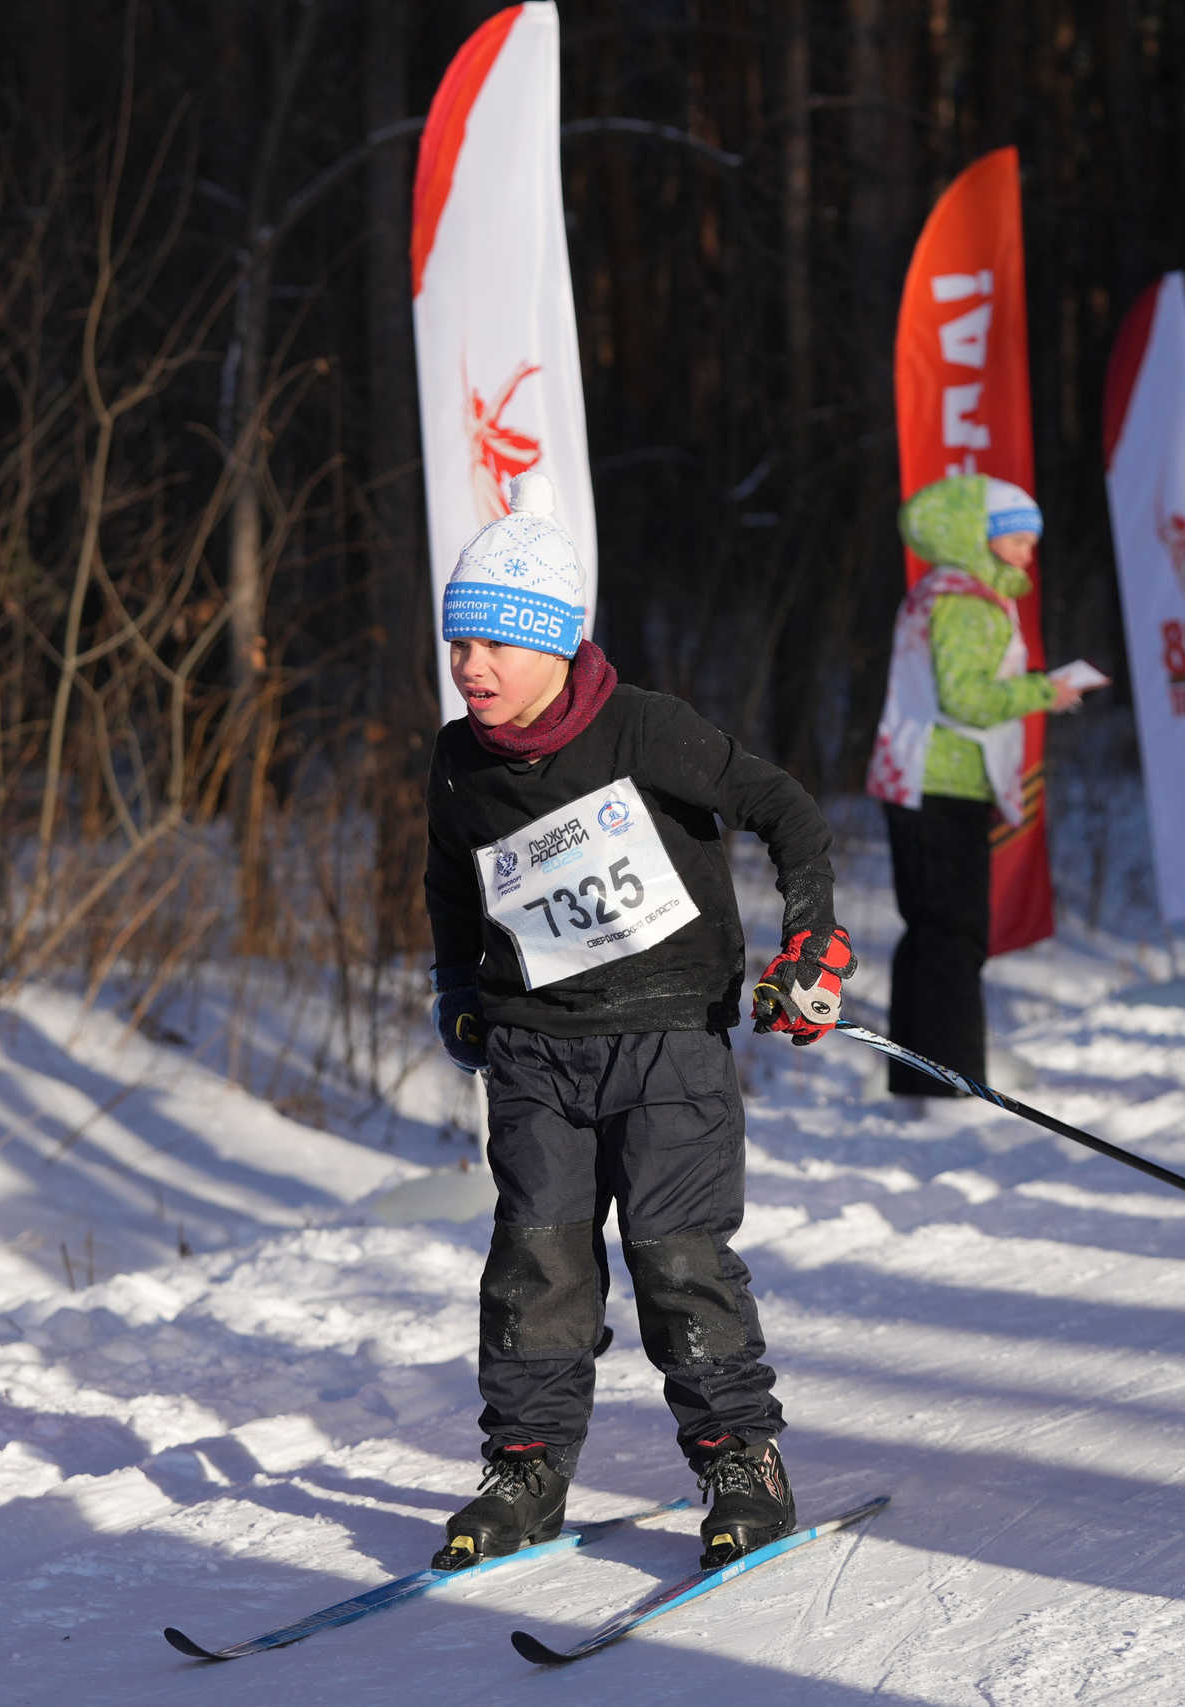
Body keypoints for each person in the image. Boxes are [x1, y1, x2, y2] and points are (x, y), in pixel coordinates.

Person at [423, 470, 854, 1572]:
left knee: (678, 1261)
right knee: (536, 1266)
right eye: (458, 643)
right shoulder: (460, 761)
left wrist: (812, 940)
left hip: (666, 1043)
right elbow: (449, 882)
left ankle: (740, 1462)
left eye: (494, 644)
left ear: (553, 643)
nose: (470, 666)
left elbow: (787, 811)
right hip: (534, 1053)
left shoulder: (643, 730)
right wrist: (457, 985)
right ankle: (526, 1469)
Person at [865, 475, 1085, 1098]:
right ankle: (949, 1086)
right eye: (1018, 539)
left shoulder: (945, 591)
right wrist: (1043, 690)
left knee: (930, 933)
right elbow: (965, 698)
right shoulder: (966, 601)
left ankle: (918, 1081)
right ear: (980, 536)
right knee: (953, 937)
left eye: (1032, 543)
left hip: (923, 780)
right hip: (943, 785)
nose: (1027, 555)